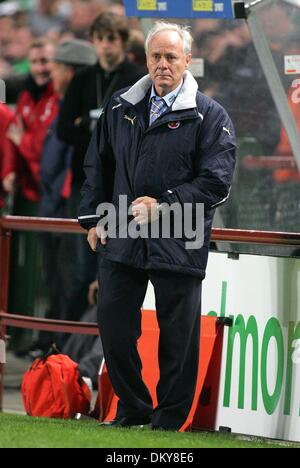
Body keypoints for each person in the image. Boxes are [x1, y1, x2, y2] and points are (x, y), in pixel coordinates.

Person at [79, 22, 236, 431]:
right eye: (156, 57)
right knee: (113, 325)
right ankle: (133, 408)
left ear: (187, 60)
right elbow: (98, 166)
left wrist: (165, 206)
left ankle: (168, 421)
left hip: (180, 234)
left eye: (171, 57)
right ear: (146, 59)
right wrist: (94, 220)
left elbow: (216, 183)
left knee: (178, 337)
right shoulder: (119, 106)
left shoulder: (211, 115)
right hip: (122, 229)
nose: (163, 65)